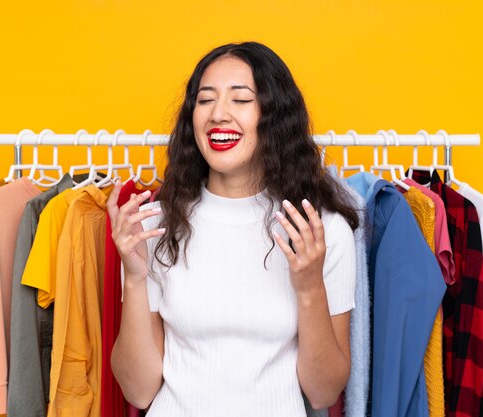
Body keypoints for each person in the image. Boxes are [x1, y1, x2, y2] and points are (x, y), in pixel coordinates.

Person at [108, 41, 359, 417]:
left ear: (273, 117)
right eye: (205, 100)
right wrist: (134, 276)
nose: (218, 114)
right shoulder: (156, 225)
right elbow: (139, 390)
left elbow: (323, 392)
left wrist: (309, 288)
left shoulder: (320, 231)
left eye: (241, 100)